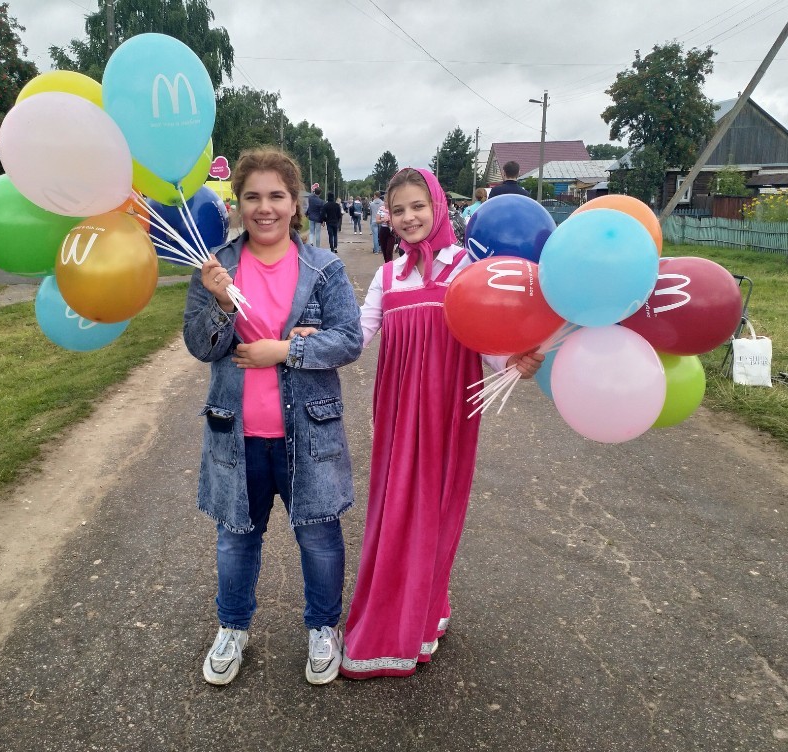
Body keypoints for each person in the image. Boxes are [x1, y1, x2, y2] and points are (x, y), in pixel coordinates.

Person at [339, 167, 543, 680]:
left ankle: (420, 615)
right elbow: (356, 337)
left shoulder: (465, 268)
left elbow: (484, 338)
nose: (408, 218)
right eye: (398, 209)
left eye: (418, 206)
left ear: (438, 207)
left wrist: (513, 361)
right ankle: (400, 616)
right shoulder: (388, 275)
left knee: (434, 509)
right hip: (396, 413)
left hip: (449, 412)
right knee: (393, 509)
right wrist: (305, 340)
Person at [182, 147, 363, 687]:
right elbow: (201, 346)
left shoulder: (323, 269)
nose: (265, 208)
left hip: (309, 433)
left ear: (295, 203)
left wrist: (285, 350)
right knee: (236, 538)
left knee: (319, 537)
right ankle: (232, 628)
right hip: (237, 433)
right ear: (237, 203)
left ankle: (323, 628)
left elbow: (348, 340)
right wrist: (219, 303)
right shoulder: (216, 268)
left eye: (276, 196)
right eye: (253, 197)